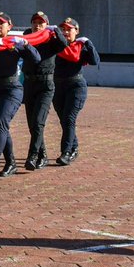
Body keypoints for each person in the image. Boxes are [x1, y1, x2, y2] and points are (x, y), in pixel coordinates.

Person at [0, 12, 39, 177]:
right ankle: (10, 162)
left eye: (2, 23)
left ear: (10, 26)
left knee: (0, 122)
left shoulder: (14, 43)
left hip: (11, 89)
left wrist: (26, 45)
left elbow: (36, 58)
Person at [20, 11, 69, 169]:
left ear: (46, 24)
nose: (37, 25)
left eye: (41, 22)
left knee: (38, 122)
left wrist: (56, 31)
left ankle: (32, 156)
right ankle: (43, 155)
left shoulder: (52, 40)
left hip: (45, 85)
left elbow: (64, 44)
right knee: (31, 124)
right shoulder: (27, 38)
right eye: (34, 22)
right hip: (29, 84)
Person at [51, 18, 100, 166]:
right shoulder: (56, 46)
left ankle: (66, 153)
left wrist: (88, 44)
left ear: (76, 31)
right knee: (64, 121)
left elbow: (94, 61)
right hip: (58, 87)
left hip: (76, 87)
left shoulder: (80, 47)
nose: (65, 32)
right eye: (63, 29)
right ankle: (74, 148)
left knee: (69, 119)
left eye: (69, 29)